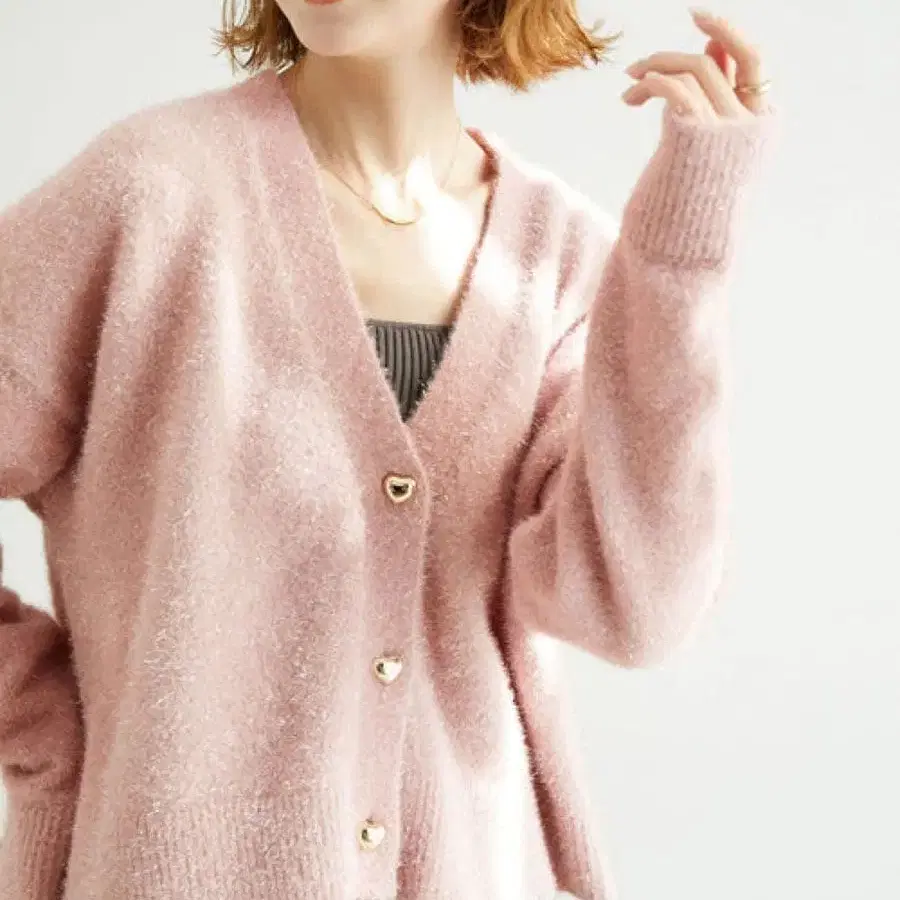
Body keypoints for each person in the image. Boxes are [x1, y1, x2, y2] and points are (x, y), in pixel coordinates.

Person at [0, 1, 774, 898]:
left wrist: (679, 265)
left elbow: (633, 612)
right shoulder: (151, 196)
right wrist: (42, 722)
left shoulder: (559, 262)